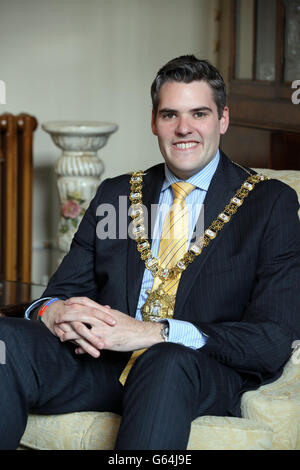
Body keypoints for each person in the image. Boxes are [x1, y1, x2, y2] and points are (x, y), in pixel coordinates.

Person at [0, 55, 299, 450]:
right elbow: (59, 292)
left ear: (223, 119)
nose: (184, 128)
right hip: (102, 363)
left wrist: (152, 334)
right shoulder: (118, 195)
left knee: (165, 359)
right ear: (154, 122)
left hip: (198, 368)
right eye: (169, 115)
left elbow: (271, 338)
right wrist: (51, 310)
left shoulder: (269, 203)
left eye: (199, 113)